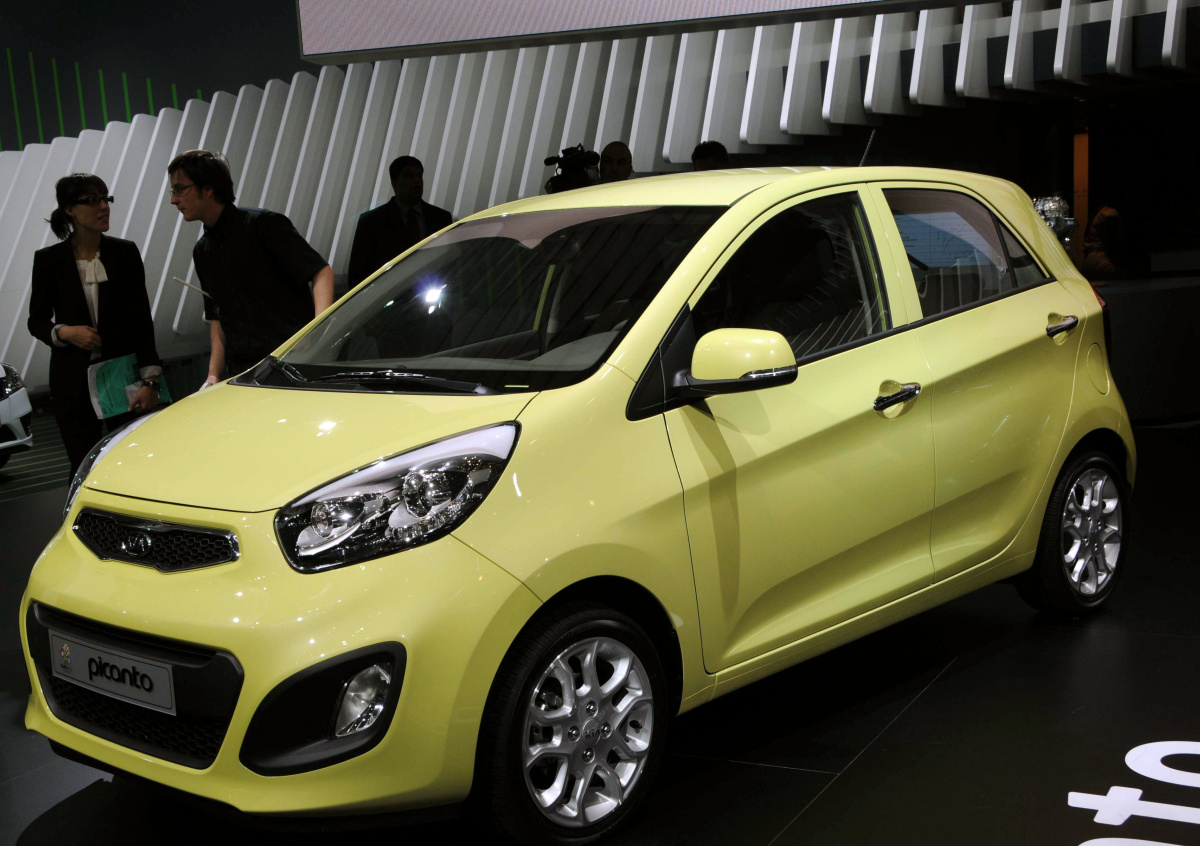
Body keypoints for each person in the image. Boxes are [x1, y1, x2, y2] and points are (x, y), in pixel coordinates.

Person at [27, 173, 163, 478]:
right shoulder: (49, 260)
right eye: (92, 201)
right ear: (69, 210)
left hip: (123, 377)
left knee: (133, 463)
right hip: (71, 382)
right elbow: (36, 321)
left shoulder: (124, 252)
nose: (104, 207)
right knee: (83, 467)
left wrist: (150, 381)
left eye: (105, 199)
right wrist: (64, 332)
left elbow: (142, 319)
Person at [167, 150, 335, 387]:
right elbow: (217, 316)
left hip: (294, 362)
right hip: (244, 372)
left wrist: (317, 335)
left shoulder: (263, 224)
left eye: (180, 189)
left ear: (208, 188)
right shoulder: (202, 250)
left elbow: (321, 272)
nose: (174, 200)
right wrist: (213, 374)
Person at [347, 155, 452, 287]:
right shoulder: (372, 222)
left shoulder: (441, 218)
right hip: (390, 294)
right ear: (395, 184)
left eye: (419, 175)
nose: (416, 181)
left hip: (434, 290)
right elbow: (358, 275)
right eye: (409, 176)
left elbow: (450, 261)